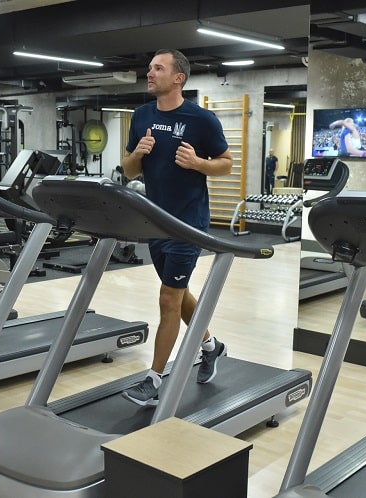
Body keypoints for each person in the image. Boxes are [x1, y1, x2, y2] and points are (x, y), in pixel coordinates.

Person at [120, 48, 233, 406]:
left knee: (168, 299)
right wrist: (138, 153)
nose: (150, 73)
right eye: (150, 67)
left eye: (158, 68)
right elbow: (129, 171)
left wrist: (199, 163)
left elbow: (227, 163)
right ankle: (211, 347)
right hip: (156, 222)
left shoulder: (201, 120)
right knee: (178, 295)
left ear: (178, 78)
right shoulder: (141, 115)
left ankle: (153, 380)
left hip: (188, 223)